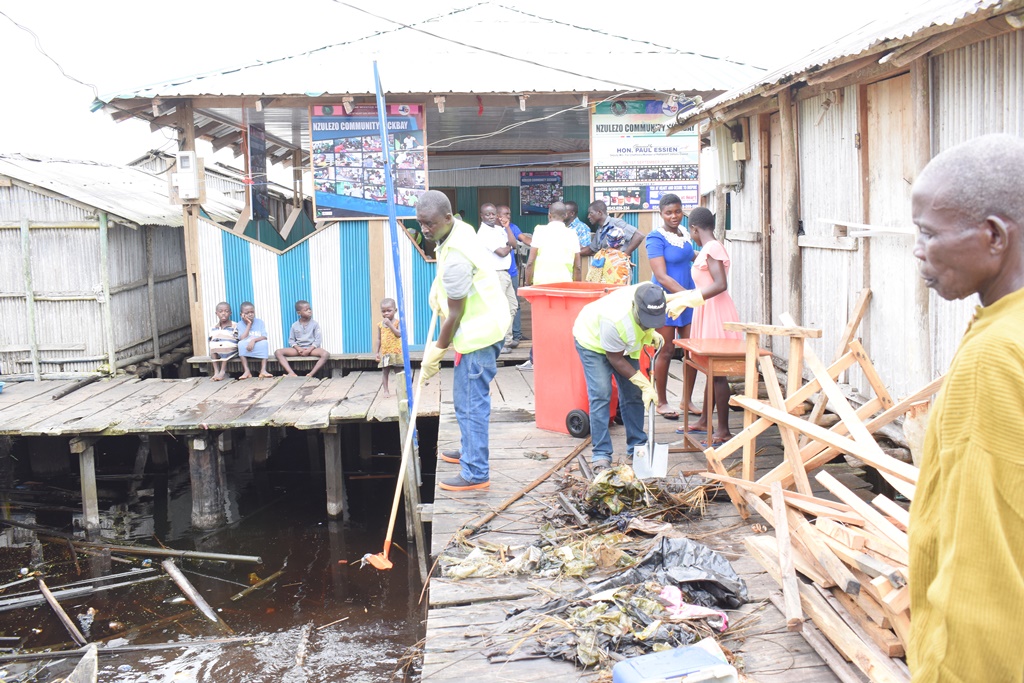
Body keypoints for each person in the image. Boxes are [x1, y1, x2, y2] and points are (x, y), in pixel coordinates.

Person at [907, 134, 1024, 683]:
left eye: (928, 233)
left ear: (994, 236)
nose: (918, 251)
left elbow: (982, 565)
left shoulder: (995, 356)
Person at [417, 191, 510, 491]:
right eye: (420, 223)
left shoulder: (458, 254)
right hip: (484, 325)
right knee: (464, 400)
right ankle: (469, 452)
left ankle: (475, 472)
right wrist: (437, 291)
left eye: (430, 224)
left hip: (479, 334)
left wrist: (436, 352)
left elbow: (455, 314)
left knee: (470, 404)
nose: (425, 230)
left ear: (447, 218)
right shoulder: (459, 229)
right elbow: (444, 268)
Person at [572, 282, 666, 473]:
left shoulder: (652, 294)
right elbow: (615, 359)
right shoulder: (614, 319)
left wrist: (651, 331)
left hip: (624, 343)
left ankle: (638, 446)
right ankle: (601, 454)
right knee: (601, 393)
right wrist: (645, 383)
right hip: (593, 342)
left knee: (633, 394)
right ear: (635, 309)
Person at [668, 207, 740, 446]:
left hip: (715, 311)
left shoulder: (713, 248)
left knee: (717, 372)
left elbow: (721, 284)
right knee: (709, 368)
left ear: (695, 229)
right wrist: (689, 298)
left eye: (692, 233)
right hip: (705, 309)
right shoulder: (707, 249)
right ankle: (704, 422)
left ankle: (723, 430)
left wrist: (692, 298)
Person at [645, 194, 699, 420]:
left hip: (688, 299)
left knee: (692, 352)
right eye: (669, 212)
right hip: (667, 300)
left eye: (677, 211)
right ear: (661, 214)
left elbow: (689, 257)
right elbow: (661, 276)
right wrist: (688, 296)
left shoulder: (684, 234)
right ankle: (662, 401)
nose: (674, 216)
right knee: (666, 351)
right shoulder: (655, 238)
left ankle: (687, 400)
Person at [476, 203, 519, 353]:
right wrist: (509, 248)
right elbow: (501, 252)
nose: (490, 217)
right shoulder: (483, 233)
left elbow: (514, 244)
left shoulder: (499, 229)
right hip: (494, 274)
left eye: (493, 214)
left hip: (505, 273)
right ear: (481, 216)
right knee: (498, 309)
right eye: (487, 214)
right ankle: (498, 343)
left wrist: (507, 228)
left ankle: (506, 340)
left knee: (512, 307)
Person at [497, 205, 532, 348]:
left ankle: (516, 335)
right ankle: (503, 338)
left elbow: (524, 239)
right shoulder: (492, 231)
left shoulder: (512, 227)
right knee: (501, 305)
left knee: (515, 304)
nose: (508, 216)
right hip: (498, 272)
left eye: (509, 213)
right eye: (505, 213)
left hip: (512, 272)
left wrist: (541, 242)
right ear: (497, 215)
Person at [525, 202, 580, 285]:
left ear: (549, 215)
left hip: (541, 284)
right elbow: (577, 267)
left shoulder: (539, 231)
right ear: (565, 216)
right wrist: (576, 289)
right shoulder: (572, 234)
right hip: (565, 285)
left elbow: (530, 263)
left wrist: (528, 284)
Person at [275, 300, 330, 377]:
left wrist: (309, 350)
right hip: (298, 350)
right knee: (278, 352)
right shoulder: (294, 325)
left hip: (312, 349)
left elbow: (318, 340)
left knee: (325, 354)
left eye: (309, 309)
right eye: (306, 310)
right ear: (299, 313)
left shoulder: (315, 324)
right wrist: (298, 348)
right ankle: (291, 373)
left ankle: (311, 374)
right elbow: (291, 340)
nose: (309, 311)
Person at [375, 297, 402, 398]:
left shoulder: (397, 323)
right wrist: (377, 352)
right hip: (386, 353)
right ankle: (386, 390)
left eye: (389, 311)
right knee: (385, 371)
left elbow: (399, 334)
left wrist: (390, 325)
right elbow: (379, 339)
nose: (386, 313)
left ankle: (401, 389)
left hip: (396, 352)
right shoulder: (380, 325)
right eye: (383, 311)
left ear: (395, 310)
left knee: (398, 371)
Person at [237, 301, 271, 379]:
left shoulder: (260, 322)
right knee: (240, 344)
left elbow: (264, 336)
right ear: (241, 314)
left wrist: (253, 341)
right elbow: (242, 338)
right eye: (247, 312)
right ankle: (247, 371)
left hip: (257, 344)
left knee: (264, 343)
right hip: (247, 346)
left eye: (252, 312)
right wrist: (248, 324)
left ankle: (263, 370)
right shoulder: (239, 324)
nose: (250, 314)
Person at [208, 301, 239, 382]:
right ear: (216, 313)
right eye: (220, 311)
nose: (223, 313)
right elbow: (211, 339)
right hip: (218, 349)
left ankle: (222, 371)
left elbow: (237, 338)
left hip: (231, 350)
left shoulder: (235, 325)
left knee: (225, 346)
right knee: (212, 348)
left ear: (230, 313)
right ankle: (216, 371)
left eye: (226, 311)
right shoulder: (213, 327)